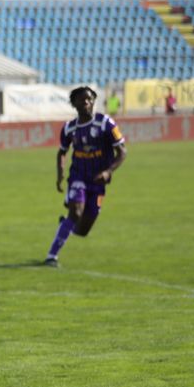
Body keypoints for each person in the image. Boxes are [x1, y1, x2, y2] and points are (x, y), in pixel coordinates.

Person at [45, 87, 127, 267]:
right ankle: (52, 256)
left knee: (82, 230)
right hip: (78, 176)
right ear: (74, 104)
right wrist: (60, 175)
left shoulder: (106, 123)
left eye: (89, 99)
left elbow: (122, 152)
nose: (86, 103)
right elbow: (62, 152)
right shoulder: (69, 128)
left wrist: (108, 171)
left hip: (98, 181)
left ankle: (66, 225)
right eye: (82, 100)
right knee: (76, 212)